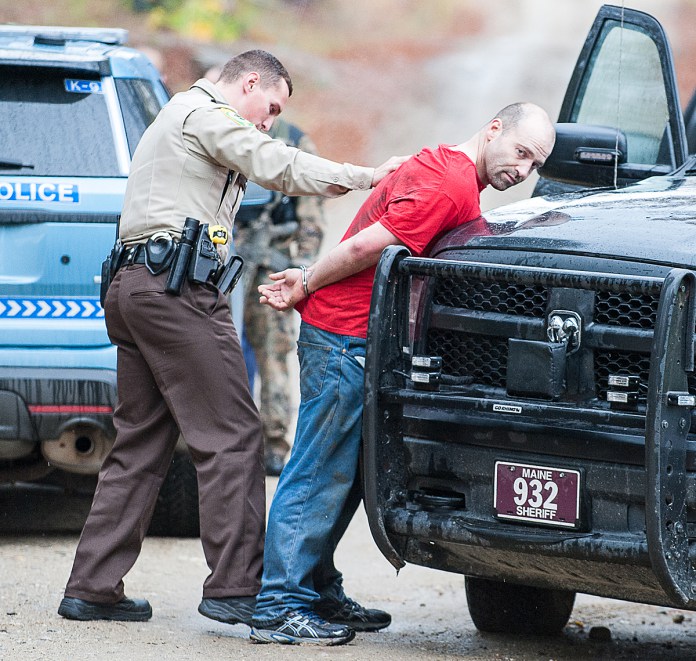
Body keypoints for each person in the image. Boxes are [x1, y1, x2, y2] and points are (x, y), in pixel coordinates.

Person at [57, 49, 407, 626]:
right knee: (234, 434)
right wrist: (370, 177)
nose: (269, 121)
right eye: (270, 107)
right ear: (248, 83)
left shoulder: (178, 116)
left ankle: (92, 587)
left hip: (135, 287)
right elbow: (276, 164)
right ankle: (238, 588)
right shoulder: (206, 114)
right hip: (176, 292)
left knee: (140, 444)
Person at [250, 102, 556, 645]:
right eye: (521, 152)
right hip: (344, 338)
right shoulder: (449, 184)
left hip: (358, 340)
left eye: (536, 163)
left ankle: (318, 590)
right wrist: (305, 278)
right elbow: (369, 245)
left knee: (343, 476)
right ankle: (278, 604)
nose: (524, 169)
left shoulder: (443, 167)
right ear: (492, 130)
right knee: (318, 470)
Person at [235, 117, 325, 476]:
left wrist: (303, 268)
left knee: (273, 355)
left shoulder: (292, 139)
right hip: (223, 263)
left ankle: (273, 444)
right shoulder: (227, 132)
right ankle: (230, 442)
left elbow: (311, 213)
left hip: (269, 266)